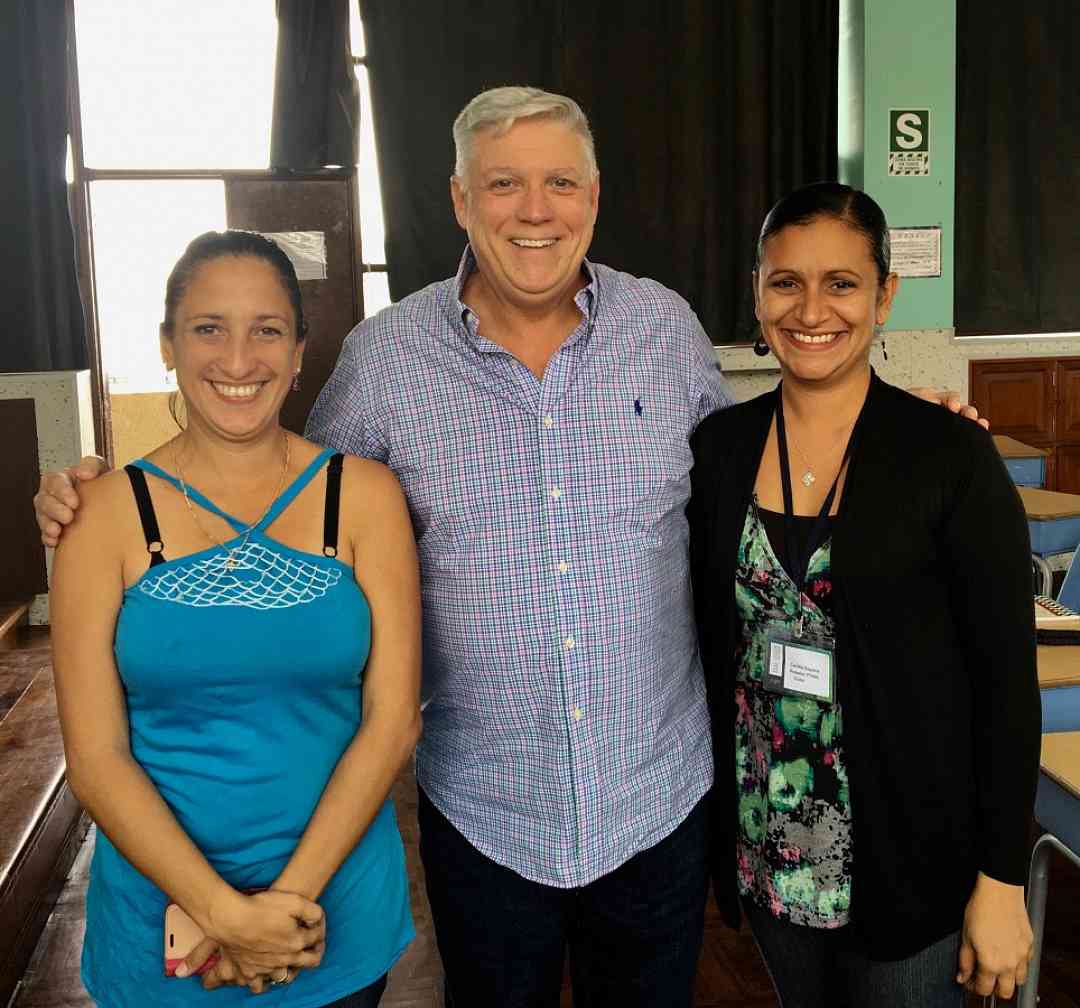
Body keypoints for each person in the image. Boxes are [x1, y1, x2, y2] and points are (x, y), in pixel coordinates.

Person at [36, 90, 984, 1008]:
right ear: (457, 200)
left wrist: (908, 437)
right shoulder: (384, 361)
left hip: (657, 798)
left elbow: (758, 467)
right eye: (503, 185)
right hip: (487, 813)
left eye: (560, 184)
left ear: (595, 198)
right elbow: (284, 488)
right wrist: (103, 492)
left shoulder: (664, 331)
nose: (536, 211)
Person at [687, 182, 1040, 1007]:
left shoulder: (949, 458)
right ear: (757, 291)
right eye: (786, 282)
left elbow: (1006, 688)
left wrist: (1001, 878)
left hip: (914, 858)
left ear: (884, 294)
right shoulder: (719, 451)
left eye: (841, 282)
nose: (812, 309)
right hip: (771, 847)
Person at [49, 230, 421, 1006]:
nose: (239, 358)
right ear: (167, 345)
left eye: (267, 330)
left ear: (298, 352)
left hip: (332, 918)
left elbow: (391, 721)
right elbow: (95, 756)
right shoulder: (101, 515)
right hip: (161, 933)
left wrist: (280, 912)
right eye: (208, 328)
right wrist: (225, 915)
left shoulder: (366, 497)